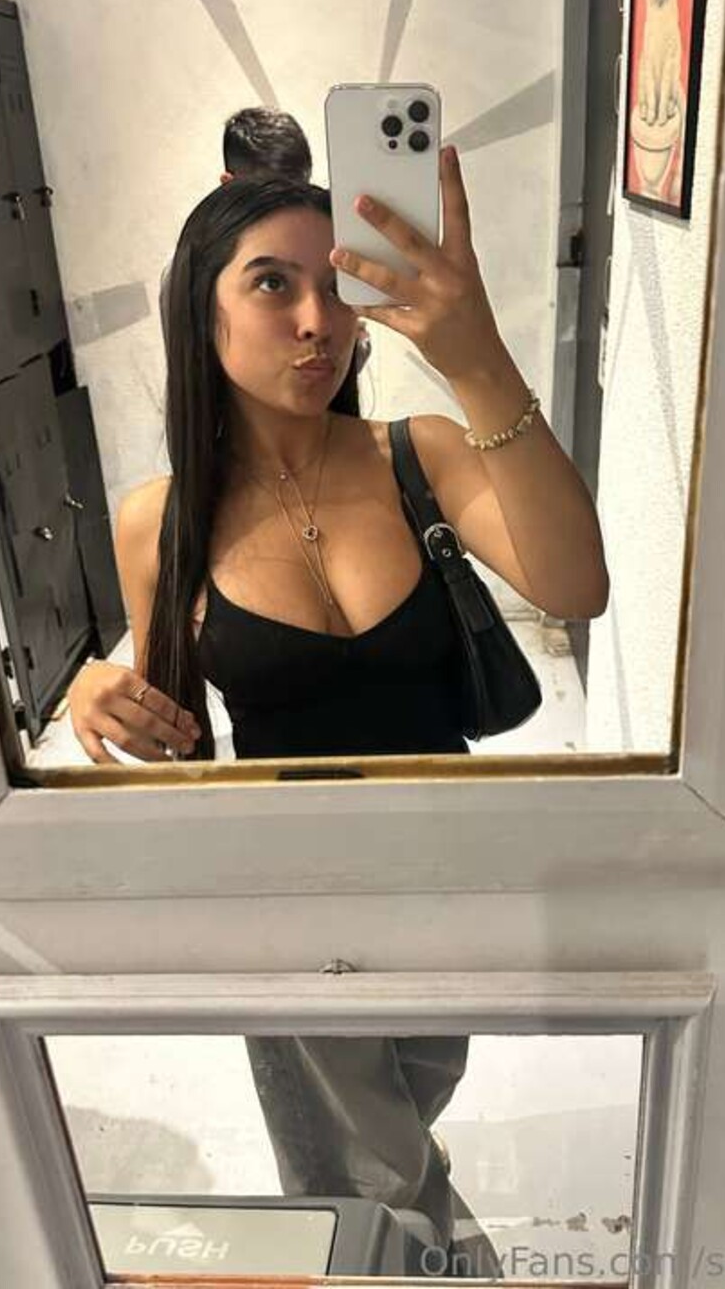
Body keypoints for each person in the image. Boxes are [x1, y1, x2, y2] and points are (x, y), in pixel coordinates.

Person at [67, 149, 609, 1270]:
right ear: (202, 310)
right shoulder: (158, 523)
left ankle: (421, 1240)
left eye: (338, 285)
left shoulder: (424, 455)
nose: (319, 321)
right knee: (356, 1176)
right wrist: (95, 689)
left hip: (446, 875)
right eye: (273, 283)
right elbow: (174, 742)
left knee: (411, 1108)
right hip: (284, 893)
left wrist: (477, 356)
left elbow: (575, 586)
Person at [158, 105, 371, 373]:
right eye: (268, 196)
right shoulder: (190, 271)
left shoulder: (321, 258)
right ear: (228, 184)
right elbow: (194, 372)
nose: (286, 209)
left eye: (299, 191)